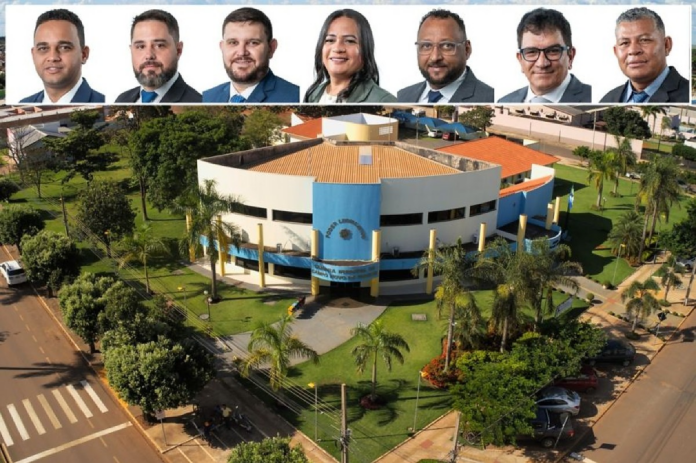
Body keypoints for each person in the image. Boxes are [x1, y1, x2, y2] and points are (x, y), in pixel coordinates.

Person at [203, 7, 299, 103]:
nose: (241, 52)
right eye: (233, 42)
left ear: (271, 48)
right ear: (222, 48)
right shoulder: (206, 98)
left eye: (253, 43)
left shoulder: (295, 98)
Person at [397, 9, 494, 103]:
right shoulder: (401, 96)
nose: (435, 57)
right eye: (427, 46)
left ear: (466, 50)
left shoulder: (489, 98)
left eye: (447, 46)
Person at [498, 8, 591, 103]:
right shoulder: (504, 102)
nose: (542, 63)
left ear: (570, 56)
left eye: (553, 51)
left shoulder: (592, 98)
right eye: (531, 52)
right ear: (520, 60)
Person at [304, 9, 396, 104]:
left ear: (365, 49)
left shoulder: (384, 101)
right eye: (330, 40)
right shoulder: (312, 95)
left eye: (349, 41)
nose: (337, 48)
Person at [600, 7, 689, 103]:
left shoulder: (686, 96)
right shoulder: (607, 99)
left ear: (666, 45)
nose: (633, 50)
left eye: (644, 40)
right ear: (616, 52)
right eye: (624, 43)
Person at [116, 9, 201, 103]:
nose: (149, 55)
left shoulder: (197, 101)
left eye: (159, 45)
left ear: (178, 50)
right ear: (131, 51)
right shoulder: (122, 99)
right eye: (140, 46)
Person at [21, 9, 104, 103]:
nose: (52, 57)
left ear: (84, 54)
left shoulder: (103, 102)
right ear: (33, 55)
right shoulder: (23, 103)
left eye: (64, 47)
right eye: (43, 48)